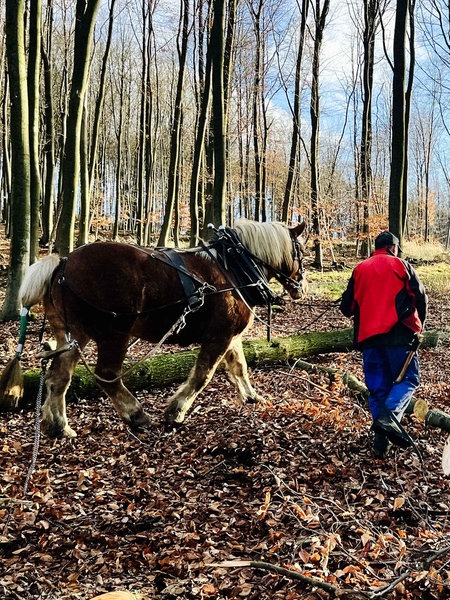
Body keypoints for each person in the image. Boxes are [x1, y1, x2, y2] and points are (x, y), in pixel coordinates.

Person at [340, 231, 428, 458]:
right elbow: (420, 296)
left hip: (369, 340)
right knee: (409, 379)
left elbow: (346, 307)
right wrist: (420, 326)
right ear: (393, 247)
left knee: (378, 389)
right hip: (399, 335)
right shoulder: (401, 265)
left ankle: (380, 446)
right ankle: (387, 419)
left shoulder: (359, 269)